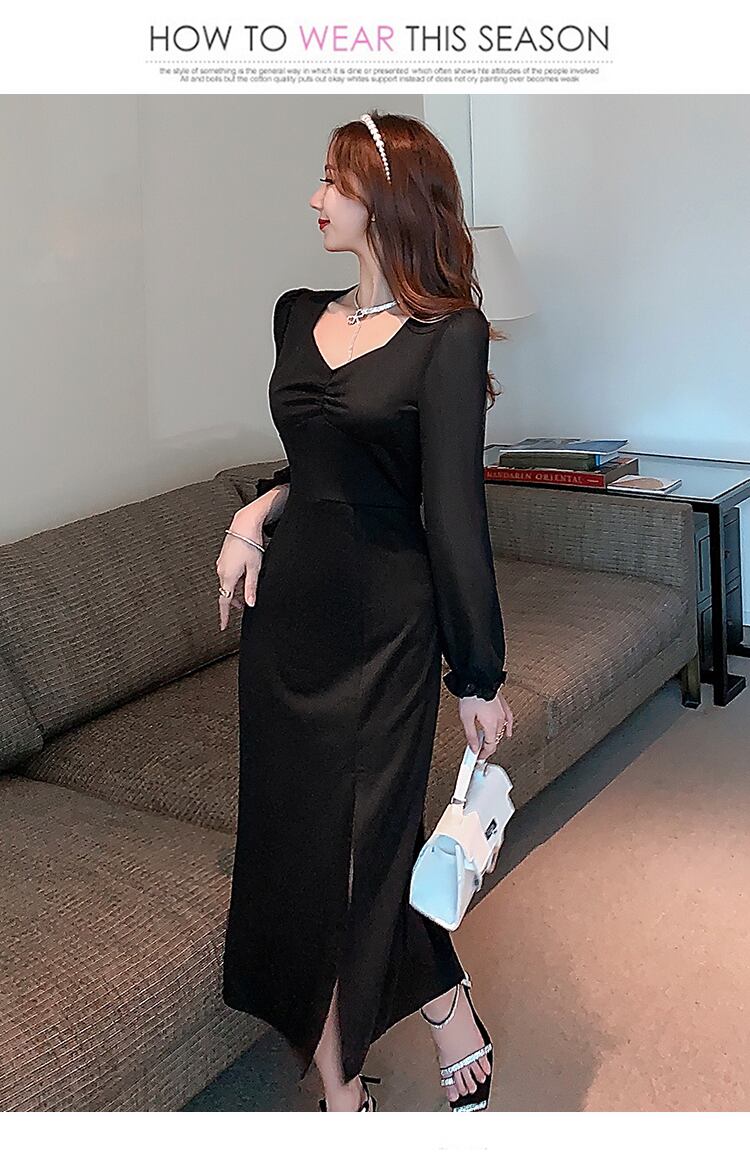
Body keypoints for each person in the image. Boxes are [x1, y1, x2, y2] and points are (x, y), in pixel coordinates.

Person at [216, 110, 514, 1113]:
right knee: (296, 847)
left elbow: (451, 510)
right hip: (289, 623)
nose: (314, 199)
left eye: (332, 184)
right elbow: (320, 463)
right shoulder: (294, 313)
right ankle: (387, 1051)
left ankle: (394, 1050)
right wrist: (257, 509)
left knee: (369, 848)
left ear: (383, 200)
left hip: (389, 625)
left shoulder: (448, 335)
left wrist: (478, 673)